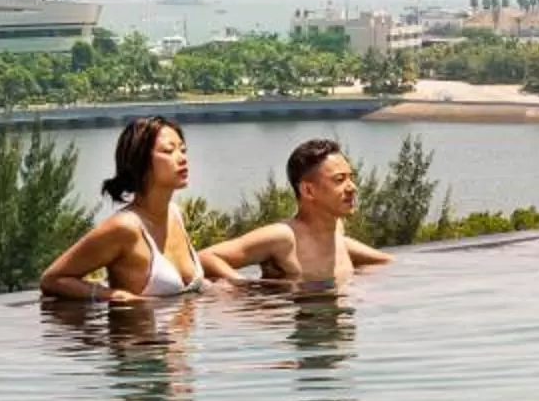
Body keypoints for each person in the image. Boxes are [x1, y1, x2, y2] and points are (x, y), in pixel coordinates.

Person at [41, 116, 211, 303]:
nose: (182, 158)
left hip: (185, 332)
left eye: (183, 150)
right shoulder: (125, 228)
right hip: (133, 331)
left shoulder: (175, 214)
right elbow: (52, 279)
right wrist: (114, 295)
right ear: (140, 161)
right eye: (168, 151)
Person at [198, 136, 391, 286]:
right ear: (308, 190)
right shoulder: (284, 237)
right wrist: (246, 290)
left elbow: (343, 246)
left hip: (336, 328)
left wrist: (394, 264)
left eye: (351, 178)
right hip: (298, 328)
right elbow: (206, 258)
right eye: (340, 180)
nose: (352, 188)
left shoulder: (335, 229)